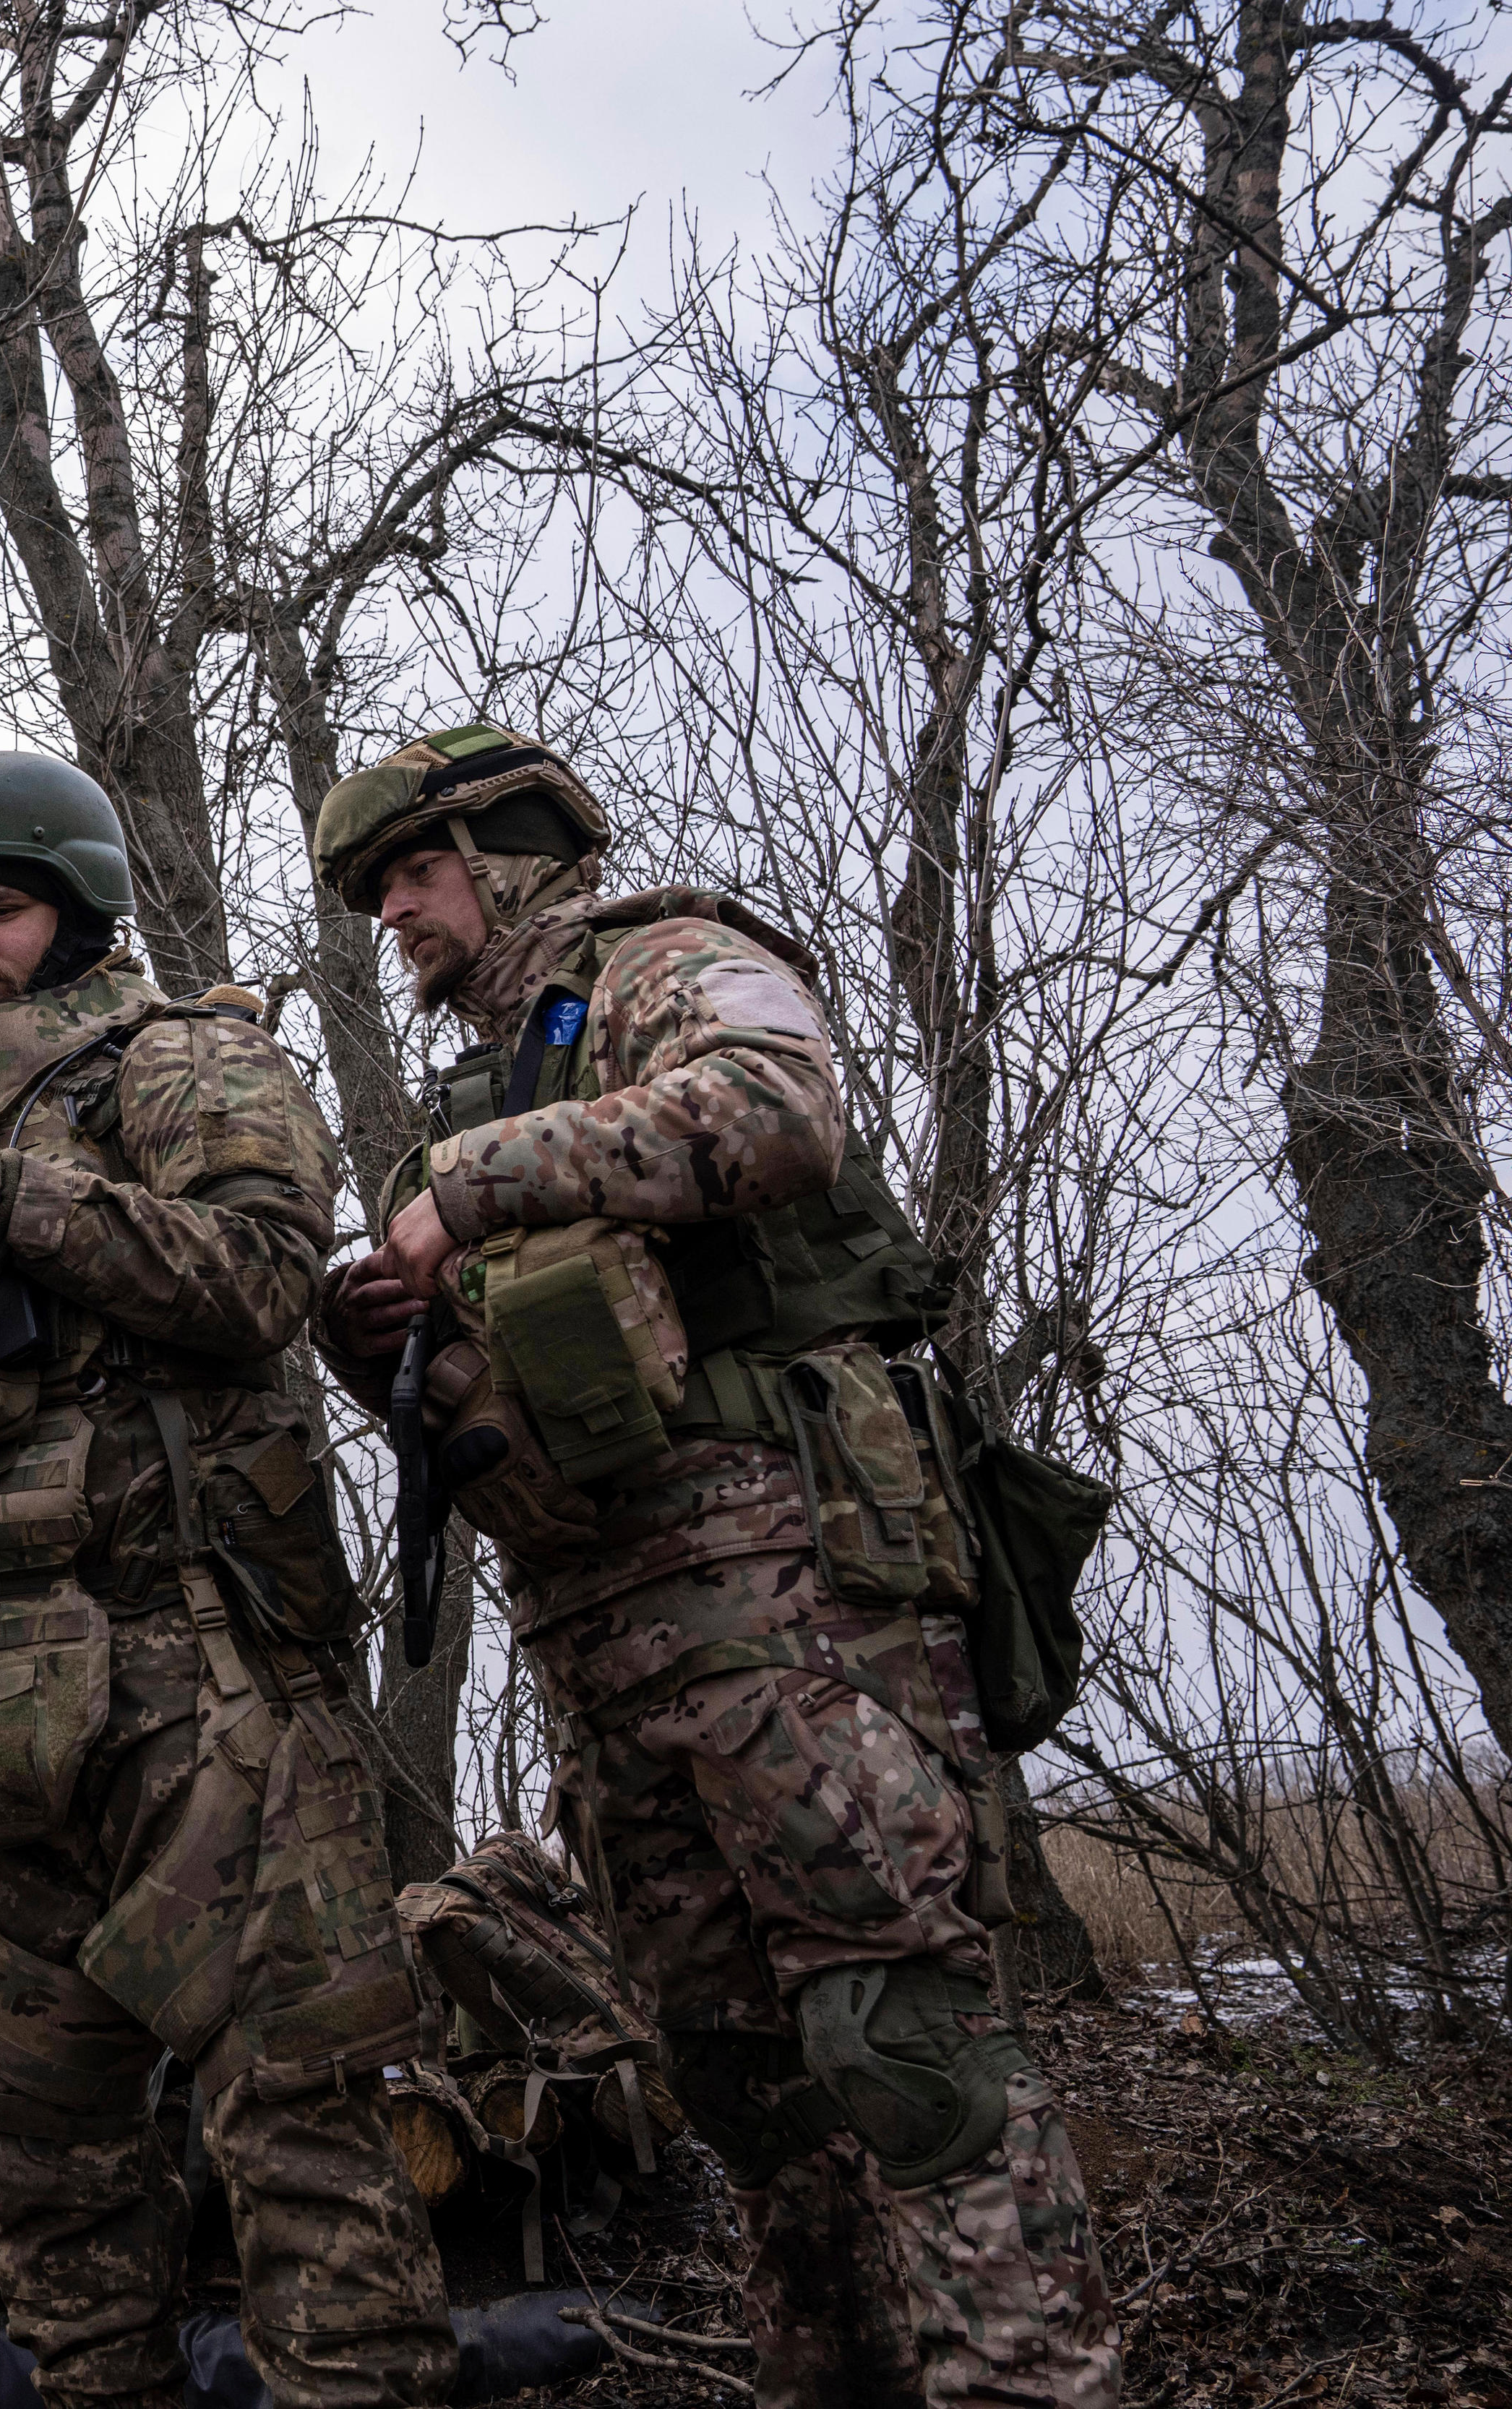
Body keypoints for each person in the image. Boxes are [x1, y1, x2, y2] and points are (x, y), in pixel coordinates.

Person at [306, 723, 1120, 2409]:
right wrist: (374, 1326)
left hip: (786, 1598)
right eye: (375, 888)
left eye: (414, 870)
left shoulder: (661, 959)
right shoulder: (478, 1082)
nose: (394, 913)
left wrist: (468, 1187)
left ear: (511, 844)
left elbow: (774, 1110)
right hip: (602, 1633)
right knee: (742, 2082)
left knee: (901, 2042)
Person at [0, 754, 458, 2409]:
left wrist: (8, 1200)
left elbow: (267, 1275)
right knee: (46, 2203)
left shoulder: (187, 1057)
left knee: (306, 2149)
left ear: (76, 904)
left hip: (192, 1689)